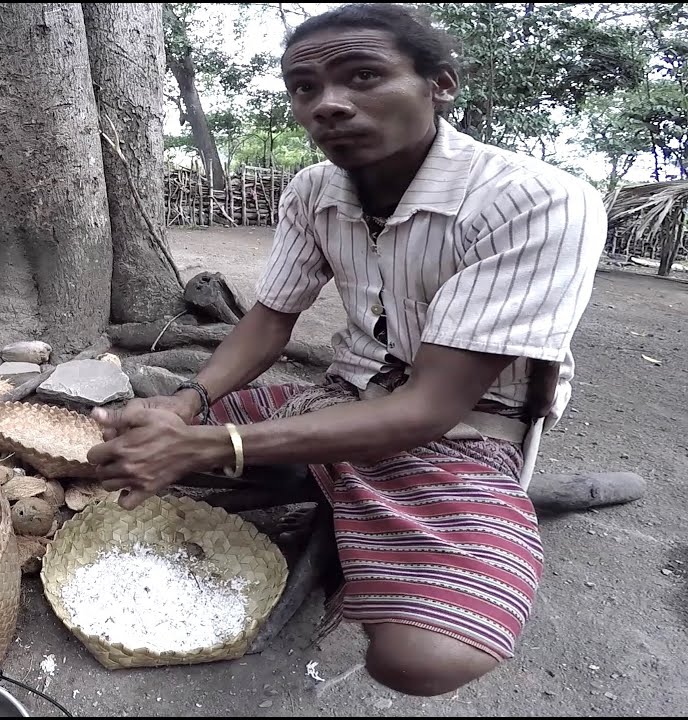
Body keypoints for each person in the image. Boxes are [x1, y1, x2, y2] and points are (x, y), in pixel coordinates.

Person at [86, 3, 607, 698]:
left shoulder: (536, 201)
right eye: (305, 88)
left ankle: (343, 491)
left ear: (440, 85)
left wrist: (214, 444)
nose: (328, 104)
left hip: (463, 431)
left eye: (363, 76)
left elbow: (428, 408)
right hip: (337, 395)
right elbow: (269, 321)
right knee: (132, 433)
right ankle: (322, 479)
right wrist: (189, 401)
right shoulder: (313, 192)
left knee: (421, 659)